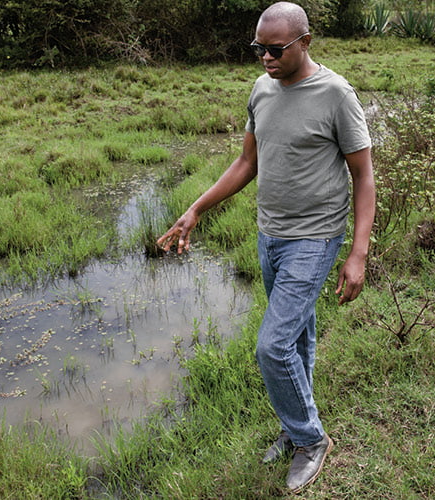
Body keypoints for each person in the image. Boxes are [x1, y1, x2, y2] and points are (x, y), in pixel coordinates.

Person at [156, 1, 375, 493]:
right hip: (269, 234)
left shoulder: (336, 94)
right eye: (259, 48)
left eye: (276, 49)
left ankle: (312, 441)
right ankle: (296, 423)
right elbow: (245, 162)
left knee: (272, 347)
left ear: (305, 42)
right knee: (296, 338)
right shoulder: (261, 90)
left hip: (315, 237)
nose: (266, 58)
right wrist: (196, 208)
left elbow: (363, 175)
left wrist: (357, 253)